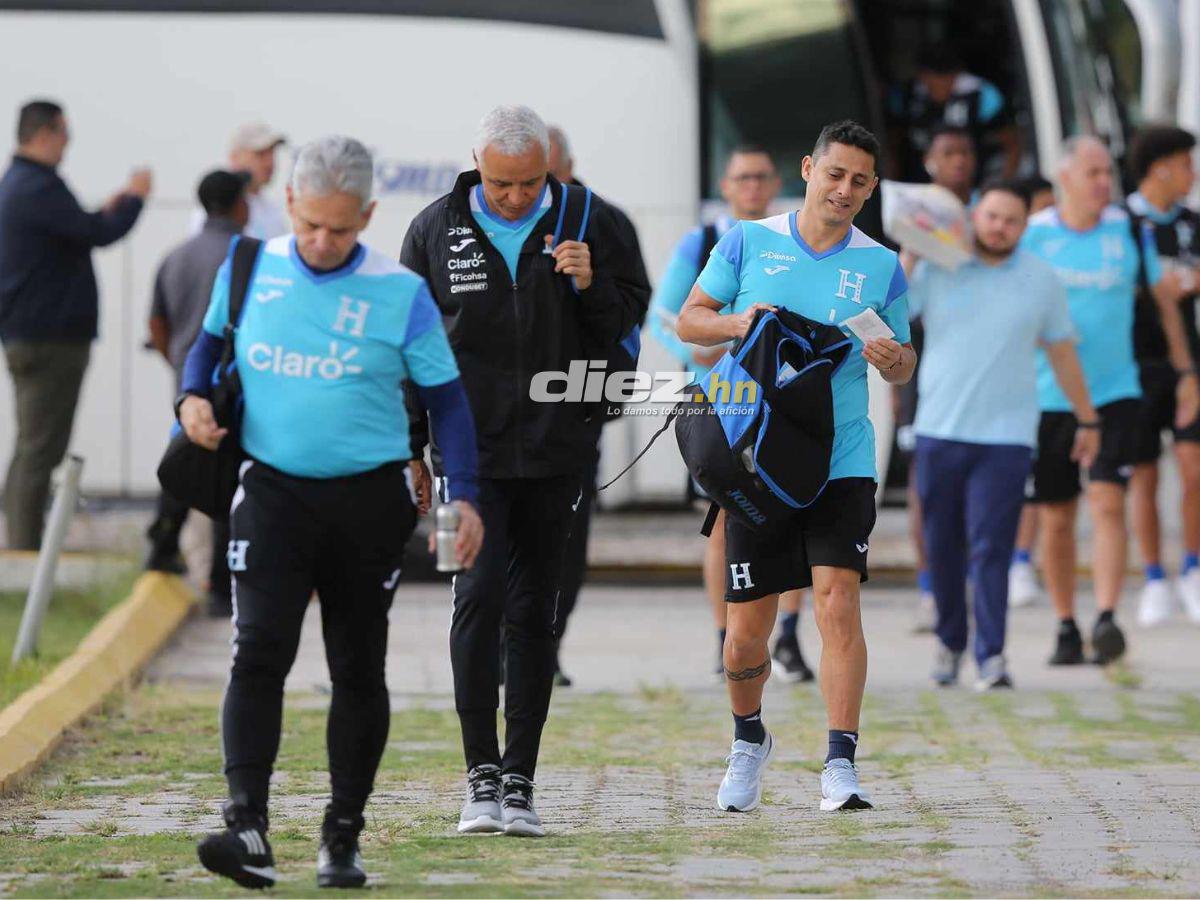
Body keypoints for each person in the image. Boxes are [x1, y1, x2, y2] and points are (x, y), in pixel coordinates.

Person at [180, 136, 483, 889]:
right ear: (288, 203)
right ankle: (247, 827)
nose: (323, 241)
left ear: (368, 216)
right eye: (311, 224)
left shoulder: (399, 292)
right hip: (272, 495)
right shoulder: (247, 267)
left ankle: (342, 836)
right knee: (259, 653)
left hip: (367, 502)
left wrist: (466, 496)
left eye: (341, 229)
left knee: (357, 667)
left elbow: (448, 402)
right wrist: (189, 399)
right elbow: (205, 350)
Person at [401, 105, 646, 838]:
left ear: (550, 169)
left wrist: (591, 285)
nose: (515, 197)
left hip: (555, 454)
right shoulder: (433, 229)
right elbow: (407, 347)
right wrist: (410, 446)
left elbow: (625, 327)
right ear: (476, 164)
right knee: (473, 598)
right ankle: (479, 775)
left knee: (534, 611)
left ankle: (520, 782)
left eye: (530, 183)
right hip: (461, 459)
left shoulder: (591, 220)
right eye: (502, 183)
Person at [677, 120, 916, 813]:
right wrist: (737, 322)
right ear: (809, 169)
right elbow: (691, 320)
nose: (844, 189)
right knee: (744, 634)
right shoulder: (748, 240)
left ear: (871, 190)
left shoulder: (882, 266)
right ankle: (748, 739)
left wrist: (894, 360)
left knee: (837, 599)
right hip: (758, 461)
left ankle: (840, 762)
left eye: (859, 181)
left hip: (842, 458)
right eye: (835, 174)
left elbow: (904, 362)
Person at [907, 180, 1099, 689]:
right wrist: (911, 253)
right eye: (992, 216)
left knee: (993, 547)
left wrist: (1087, 418)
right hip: (939, 429)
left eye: (1012, 220)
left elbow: (1062, 352)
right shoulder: (940, 265)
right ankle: (950, 642)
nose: (1000, 227)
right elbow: (893, 315)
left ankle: (992, 655)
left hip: (1007, 438)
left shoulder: (1040, 279)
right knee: (942, 545)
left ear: (1024, 226)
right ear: (974, 215)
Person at [1021, 136, 1198, 666]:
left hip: (1116, 393)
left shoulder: (1129, 230)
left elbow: (1165, 306)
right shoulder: (1035, 235)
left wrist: (1186, 373)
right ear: (1065, 178)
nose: (1104, 183)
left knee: (1108, 502)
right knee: (1057, 516)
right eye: (1093, 173)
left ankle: (1104, 617)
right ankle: (1065, 622)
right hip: (1049, 396)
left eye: (1107, 173)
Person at [648, 146, 813, 682]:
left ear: (776, 183)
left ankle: (788, 638)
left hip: (782, 402)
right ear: (725, 185)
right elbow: (664, 314)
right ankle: (726, 638)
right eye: (743, 177)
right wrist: (700, 346)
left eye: (762, 176)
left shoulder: (793, 238)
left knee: (793, 513)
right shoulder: (702, 241)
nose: (753, 186)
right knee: (722, 520)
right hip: (721, 405)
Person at [0, 99, 149, 550]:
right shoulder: (37, 187)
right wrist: (135, 199)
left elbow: (79, 226)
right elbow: (96, 232)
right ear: (45, 133)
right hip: (49, 340)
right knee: (40, 448)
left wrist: (108, 208)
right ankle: (25, 553)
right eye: (65, 133)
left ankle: (23, 546)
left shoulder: (24, 185)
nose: (68, 142)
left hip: (34, 335)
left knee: (34, 445)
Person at [545, 124, 651, 686]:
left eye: (540, 175)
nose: (524, 191)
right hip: (499, 417)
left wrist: (590, 284)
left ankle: (547, 647)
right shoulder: (485, 221)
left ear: (566, 165)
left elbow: (632, 313)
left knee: (566, 539)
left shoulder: (604, 221)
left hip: (574, 409)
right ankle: (504, 647)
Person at [144, 169, 249, 614]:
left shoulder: (175, 256)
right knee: (226, 480)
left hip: (186, 382)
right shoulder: (246, 258)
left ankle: (161, 545)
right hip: (230, 386)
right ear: (240, 205)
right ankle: (220, 588)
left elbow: (156, 322)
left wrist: (178, 363)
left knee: (183, 459)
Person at [901, 124, 978, 633]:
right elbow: (896, 297)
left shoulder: (987, 213)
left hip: (975, 354)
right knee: (923, 482)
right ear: (930, 159)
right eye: (948, 151)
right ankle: (930, 586)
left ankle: (969, 582)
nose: (958, 160)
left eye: (965, 151)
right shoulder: (913, 213)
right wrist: (913, 247)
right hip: (923, 356)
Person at [1124, 125, 1200, 625]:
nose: (1193, 175)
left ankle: (1192, 568)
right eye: (1187, 165)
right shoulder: (1123, 222)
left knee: (1194, 468)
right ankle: (1154, 577)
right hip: (1134, 364)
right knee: (1144, 474)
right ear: (1161, 169)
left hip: (1188, 363)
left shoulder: (1192, 222)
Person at [1008, 173, 1057, 607]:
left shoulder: (1049, 261)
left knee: (1041, 483)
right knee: (1021, 482)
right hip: (1017, 387)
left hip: (1051, 387)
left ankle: (1022, 560)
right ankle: (1016, 560)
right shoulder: (1011, 257)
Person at [886, 46, 1019, 184]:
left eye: (942, 81)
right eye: (929, 82)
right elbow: (893, 145)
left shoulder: (981, 95)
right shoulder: (906, 96)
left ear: (955, 75)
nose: (936, 88)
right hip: (917, 182)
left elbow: (1011, 144)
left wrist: (1002, 187)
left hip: (972, 184)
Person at [191, 122, 288, 240]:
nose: (269, 163)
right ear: (234, 157)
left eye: (271, 154)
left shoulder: (271, 208)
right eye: (260, 154)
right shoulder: (215, 207)